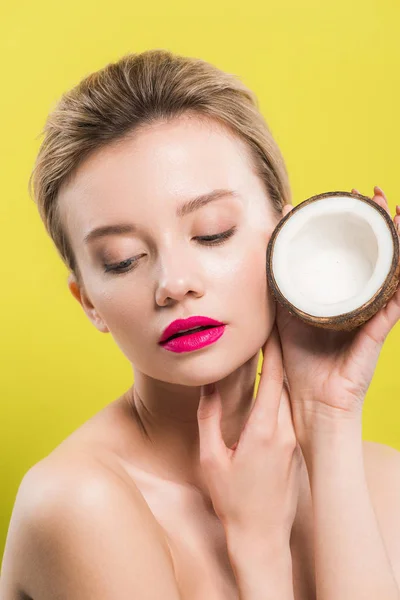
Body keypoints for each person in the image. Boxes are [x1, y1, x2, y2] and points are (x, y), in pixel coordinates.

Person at [1, 49, 400, 600]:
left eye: (211, 232)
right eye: (122, 259)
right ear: (87, 301)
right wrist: (258, 549)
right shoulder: (77, 504)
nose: (174, 282)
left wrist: (327, 420)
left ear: (284, 233)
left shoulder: (381, 482)